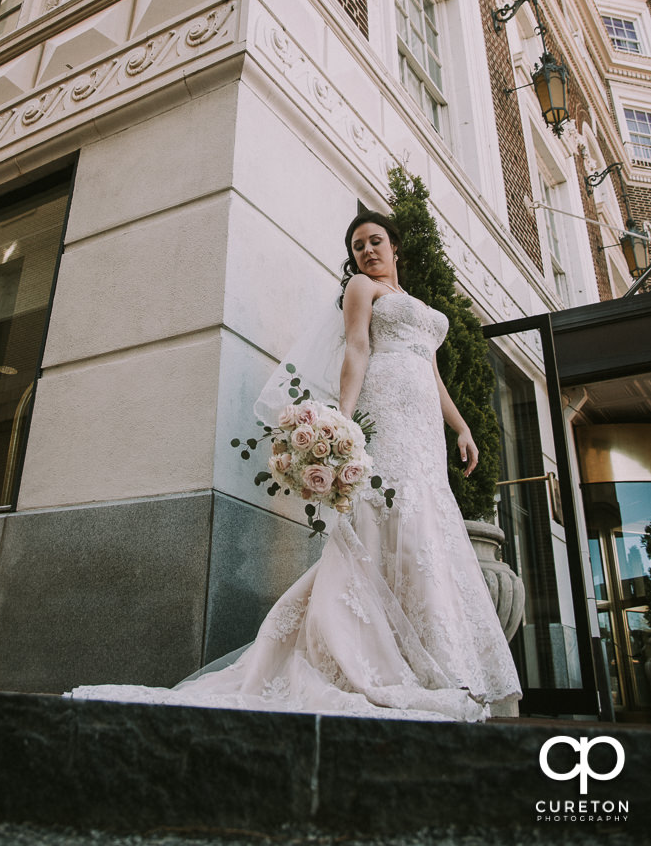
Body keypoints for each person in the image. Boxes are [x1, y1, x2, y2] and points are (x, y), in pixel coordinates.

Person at [68, 214, 522, 721]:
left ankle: (430, 658)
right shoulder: (361, 289)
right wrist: (344, 427)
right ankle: (368, 655)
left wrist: (460, 426)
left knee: (424, 526)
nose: (367, 250)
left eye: (376, 242)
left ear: (396, 248)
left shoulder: (417, 307)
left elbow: (431, 369)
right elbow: (357, 347)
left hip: (423, 430)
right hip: (386, 410)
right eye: (357, 245)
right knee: (379, 521)